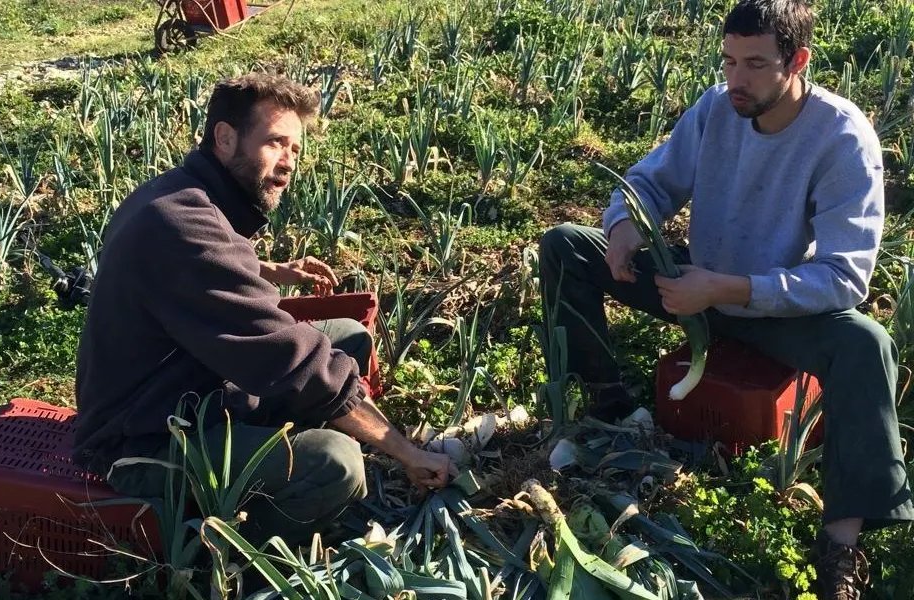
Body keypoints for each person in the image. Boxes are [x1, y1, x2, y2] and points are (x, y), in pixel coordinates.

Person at [538, 0, 912, 597]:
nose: (737, 80)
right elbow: (652, 181)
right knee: (565, 246)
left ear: (798, 62)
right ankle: (609, 404)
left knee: (867, 343)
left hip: (771, 305)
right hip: (694, 286)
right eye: (729, 61)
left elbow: (845, 277)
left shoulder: (841, 138)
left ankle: (842, 543)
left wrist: (729, 289)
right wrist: (626, 224)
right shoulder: (717, 108)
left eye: (756, 64)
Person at [73, 73, 454, 550]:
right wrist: (402, 450)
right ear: (225, 137)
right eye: (276, 143)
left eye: (295, 149)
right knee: (336, 463)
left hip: (192, 387)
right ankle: (218, 555)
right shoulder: (179, 225)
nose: (289, 163)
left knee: (346, 335)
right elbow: (287, 356)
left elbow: (211, 269)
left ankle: (280, 449)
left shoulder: (181, 194)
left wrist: (274, 270)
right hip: (146, 439)